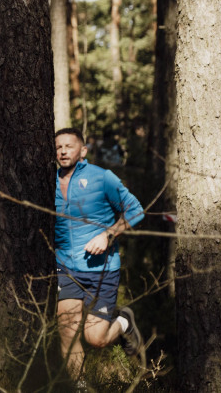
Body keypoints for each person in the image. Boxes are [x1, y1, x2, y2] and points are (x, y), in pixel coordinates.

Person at [54, 127, 145, 383]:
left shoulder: (103, 177)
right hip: (66, 269)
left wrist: (108, 235)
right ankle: (80, 387)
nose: (62, 151)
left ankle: (124, 320)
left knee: (96, 339)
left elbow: (136, 210)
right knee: (68, 333)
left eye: (69, 146)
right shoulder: (46, 181)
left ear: (83, 150)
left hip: (102, 270)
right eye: (58, 147)